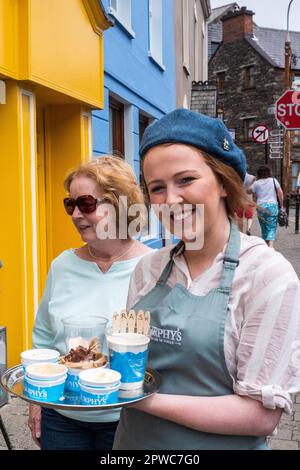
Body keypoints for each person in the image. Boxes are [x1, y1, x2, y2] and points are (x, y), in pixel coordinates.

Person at [113, 109, 300, 450]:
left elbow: (260, 416)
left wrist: (140, 399)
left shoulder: (266, 275)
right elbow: (132, 358)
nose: (171, 200)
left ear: (224, 182)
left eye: (186, 180)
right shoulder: (147, 269)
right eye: (157, 188)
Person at [28, 156, 151, 450]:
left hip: (130, 417)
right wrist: (37, 403)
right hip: (62, 416)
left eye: (86, 204)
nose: (75, 215)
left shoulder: (154, 267)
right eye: (70, 205)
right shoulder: (62, 265)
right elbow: (43, 337)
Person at [250, 165, 284, 248]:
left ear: (258, 174)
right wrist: (282, 205)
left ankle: (265, 245)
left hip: (260, 206)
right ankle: (271, 246)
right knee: (271, 226)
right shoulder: (273, 181)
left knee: (264, 226)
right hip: (272, 206)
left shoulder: (256, 183)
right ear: (269, 172)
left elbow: (249, 190)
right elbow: (280, 193)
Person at [235, 171, 255, 235]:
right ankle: (248, 228)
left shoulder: (237, 178)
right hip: (248, 200)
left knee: (240, 217)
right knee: (249, 216)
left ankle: (241, 231)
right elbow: (254, 190)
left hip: (239, 200)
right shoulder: (252, 178)